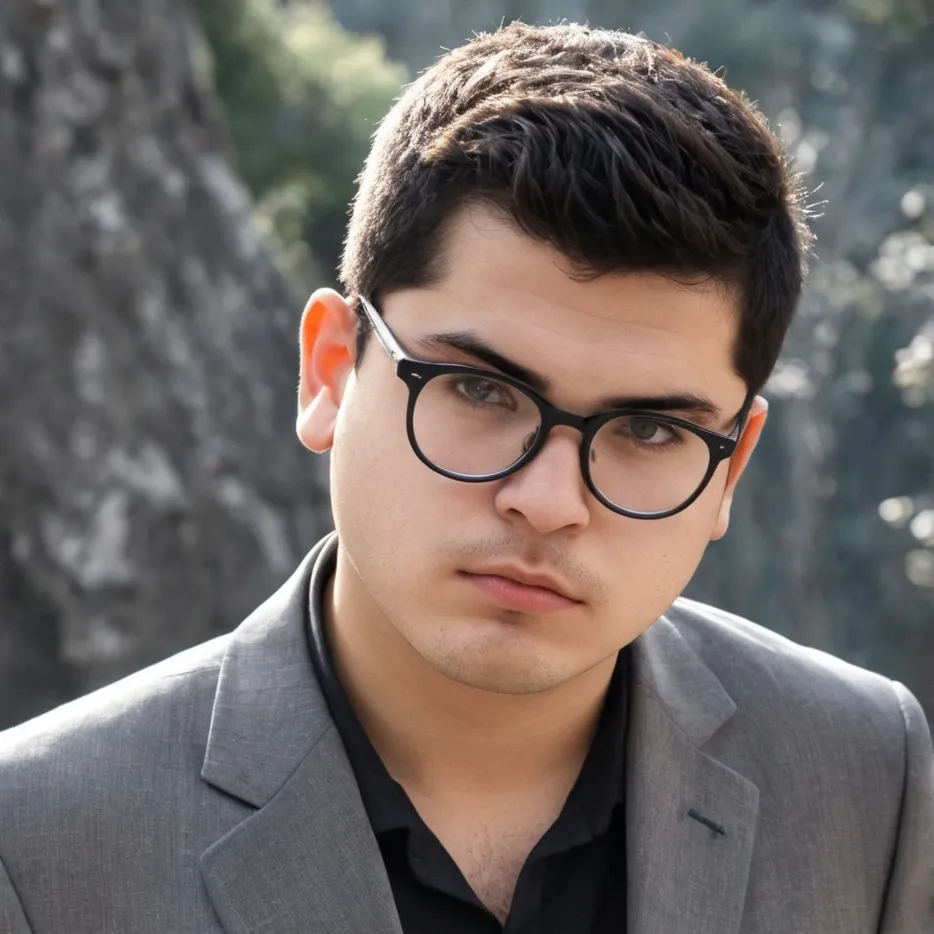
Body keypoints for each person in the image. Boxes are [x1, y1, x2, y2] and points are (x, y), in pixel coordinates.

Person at [1, 20, 932, 934]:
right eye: (482, 390)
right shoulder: (41, 845)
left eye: (649, 430)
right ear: (330, 372)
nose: (550, 502)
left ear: (732, 467)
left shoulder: (865, 777)